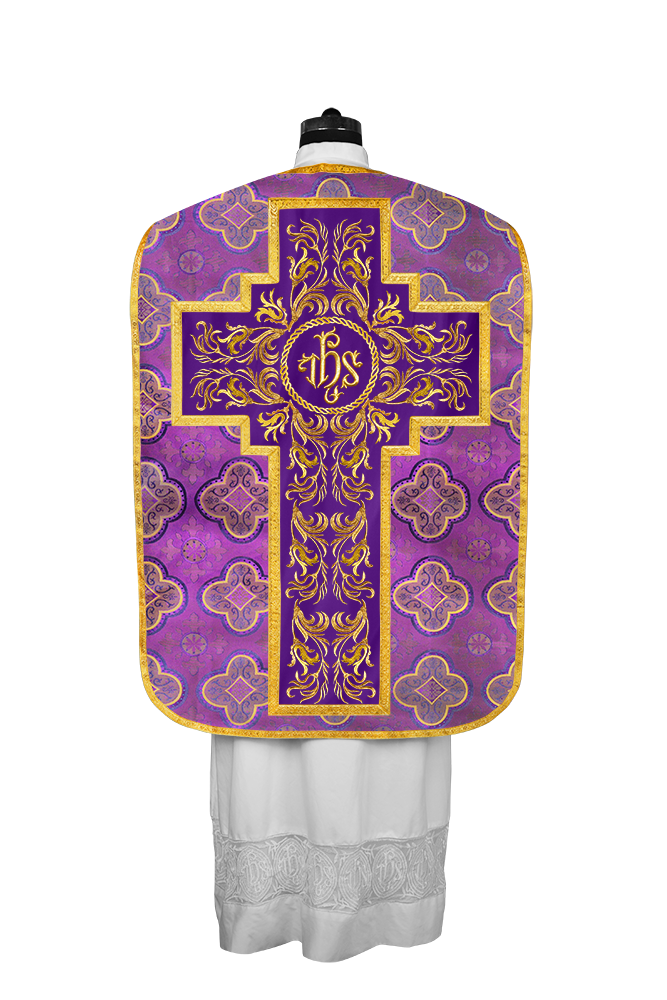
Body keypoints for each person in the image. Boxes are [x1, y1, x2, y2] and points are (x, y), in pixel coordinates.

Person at [210, 110, 452, 964]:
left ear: (298, 142)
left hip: (258, 566)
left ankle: (262, 921)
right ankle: (385, 929)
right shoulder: (451, 236)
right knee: (386, 739)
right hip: (400, 568)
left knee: (265, 752)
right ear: (363, 141)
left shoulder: (208, 235)